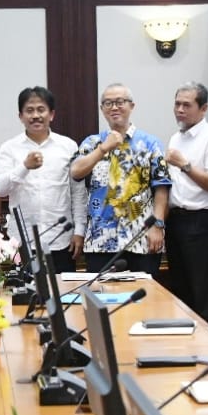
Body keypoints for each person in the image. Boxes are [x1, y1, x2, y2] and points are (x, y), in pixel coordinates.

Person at [70, 83, 170, 274]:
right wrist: (103, 149)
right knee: (101, 300)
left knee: (145, 300)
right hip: (101, 241)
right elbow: (76, 172)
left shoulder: (150, 143)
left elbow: (161, 189)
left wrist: (158, 226)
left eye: (120, 102)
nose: (114, 107)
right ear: (102, 109)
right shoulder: (92, 143)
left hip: (142, 238)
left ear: (132, 106)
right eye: (108, 103)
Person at [0, 86, 84, 273]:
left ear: (51, 114)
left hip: (61, 239)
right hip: (22, 241)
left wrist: (79, 230)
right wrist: (24, 166)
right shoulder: (9, 148)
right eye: (29, 110)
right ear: (20, 116)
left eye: (41, 110)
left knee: (63, 297)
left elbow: (78, 193)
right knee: (24, 298)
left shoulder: (68, 146)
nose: (35, 115)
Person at [163, 82, 208, 328]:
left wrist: (184, 164)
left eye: (186, 105)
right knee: (181, 288)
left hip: (201, 222)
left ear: (204, 108)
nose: (180, 110)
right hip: (176, 220)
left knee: (204, 290)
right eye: (177, 104)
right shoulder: (176, 137)